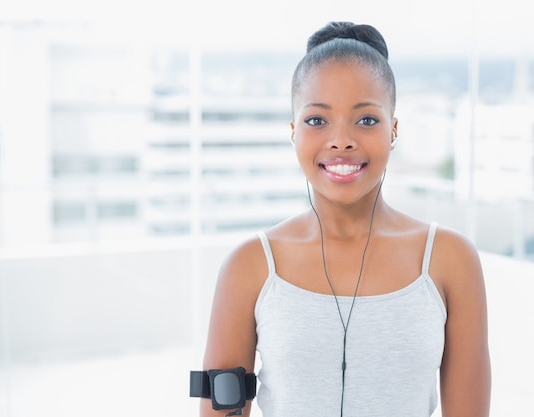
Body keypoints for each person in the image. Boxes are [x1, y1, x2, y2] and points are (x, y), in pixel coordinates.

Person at [200, 21, 491, 417]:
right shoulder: (249, 266)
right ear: (293, 131)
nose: (341, 141)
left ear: (393, 129)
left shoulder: (450, 260)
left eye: (367, 120)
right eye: (317, 120)